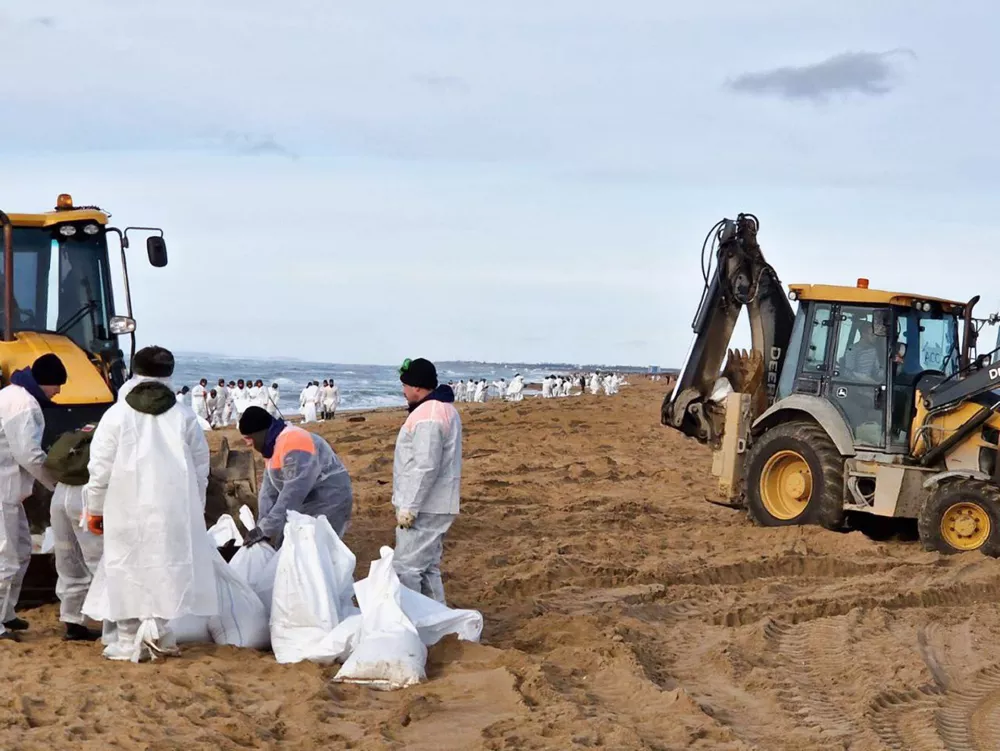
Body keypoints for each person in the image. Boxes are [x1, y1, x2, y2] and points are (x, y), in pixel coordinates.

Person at [81, 346, 217, 662]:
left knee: (126, 567)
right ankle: (159, 633)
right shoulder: (184, 415)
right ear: (169, 375)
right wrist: (194, 507)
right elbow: (200, 467)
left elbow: (99, 467)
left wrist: (95, 508)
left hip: (124, 506)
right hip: (172, 508)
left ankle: (129, 641)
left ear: (134, 371)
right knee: (167, 567)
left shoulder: (116, 415)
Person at [0, 354, 66, 641]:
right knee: (5, 557)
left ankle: (7, 613)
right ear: (45, 381)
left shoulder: (12, 394)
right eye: (57, 385)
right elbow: (29, 454)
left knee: (23, 549)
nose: (59, 391)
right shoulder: (23, 404)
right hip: (2, 489)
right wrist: (57, 483)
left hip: (11, 491)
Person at [393, 358, 461, 604]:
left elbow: (426, 465)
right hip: (433, 503)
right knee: (428, 567)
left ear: (417, 387)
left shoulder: (430, 414)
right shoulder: (438, 409)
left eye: (405, 385)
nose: (403, 391)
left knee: (406, 568)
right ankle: (436, 619)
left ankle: (413, 620)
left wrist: (409, 507)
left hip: (427, 506)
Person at [238, 405, 354, 545]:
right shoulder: (272, 447)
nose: (247, 444)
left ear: (259, 434)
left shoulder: (295, 443)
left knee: (313, 550)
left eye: (248, 438)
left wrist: (265, 529)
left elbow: (293, 493)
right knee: (285, 545)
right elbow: (268, 492)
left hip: (329, 500)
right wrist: (261, 526)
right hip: (305, 501)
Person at [43, 424, 104, 641]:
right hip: (88, 497)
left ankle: (73, 622)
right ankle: (114, 626)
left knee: (68, 560)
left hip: (61, 494)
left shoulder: (83, 431)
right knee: (100, 560)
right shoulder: (114, 429)